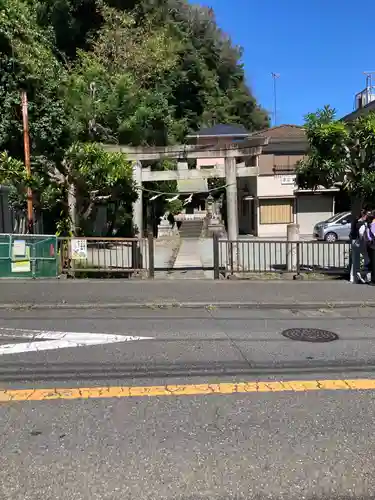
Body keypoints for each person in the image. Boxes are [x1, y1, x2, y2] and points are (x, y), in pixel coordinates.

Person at [350, 209, 368, 283]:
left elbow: (352, 232)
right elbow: (361, 234)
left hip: (354, 241)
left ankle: (352, 277)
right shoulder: (363, 223)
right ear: (365, 215)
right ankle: (362, 275)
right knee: (366, 259)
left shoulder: (356, 221)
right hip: (360, 242)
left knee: (354, 261)